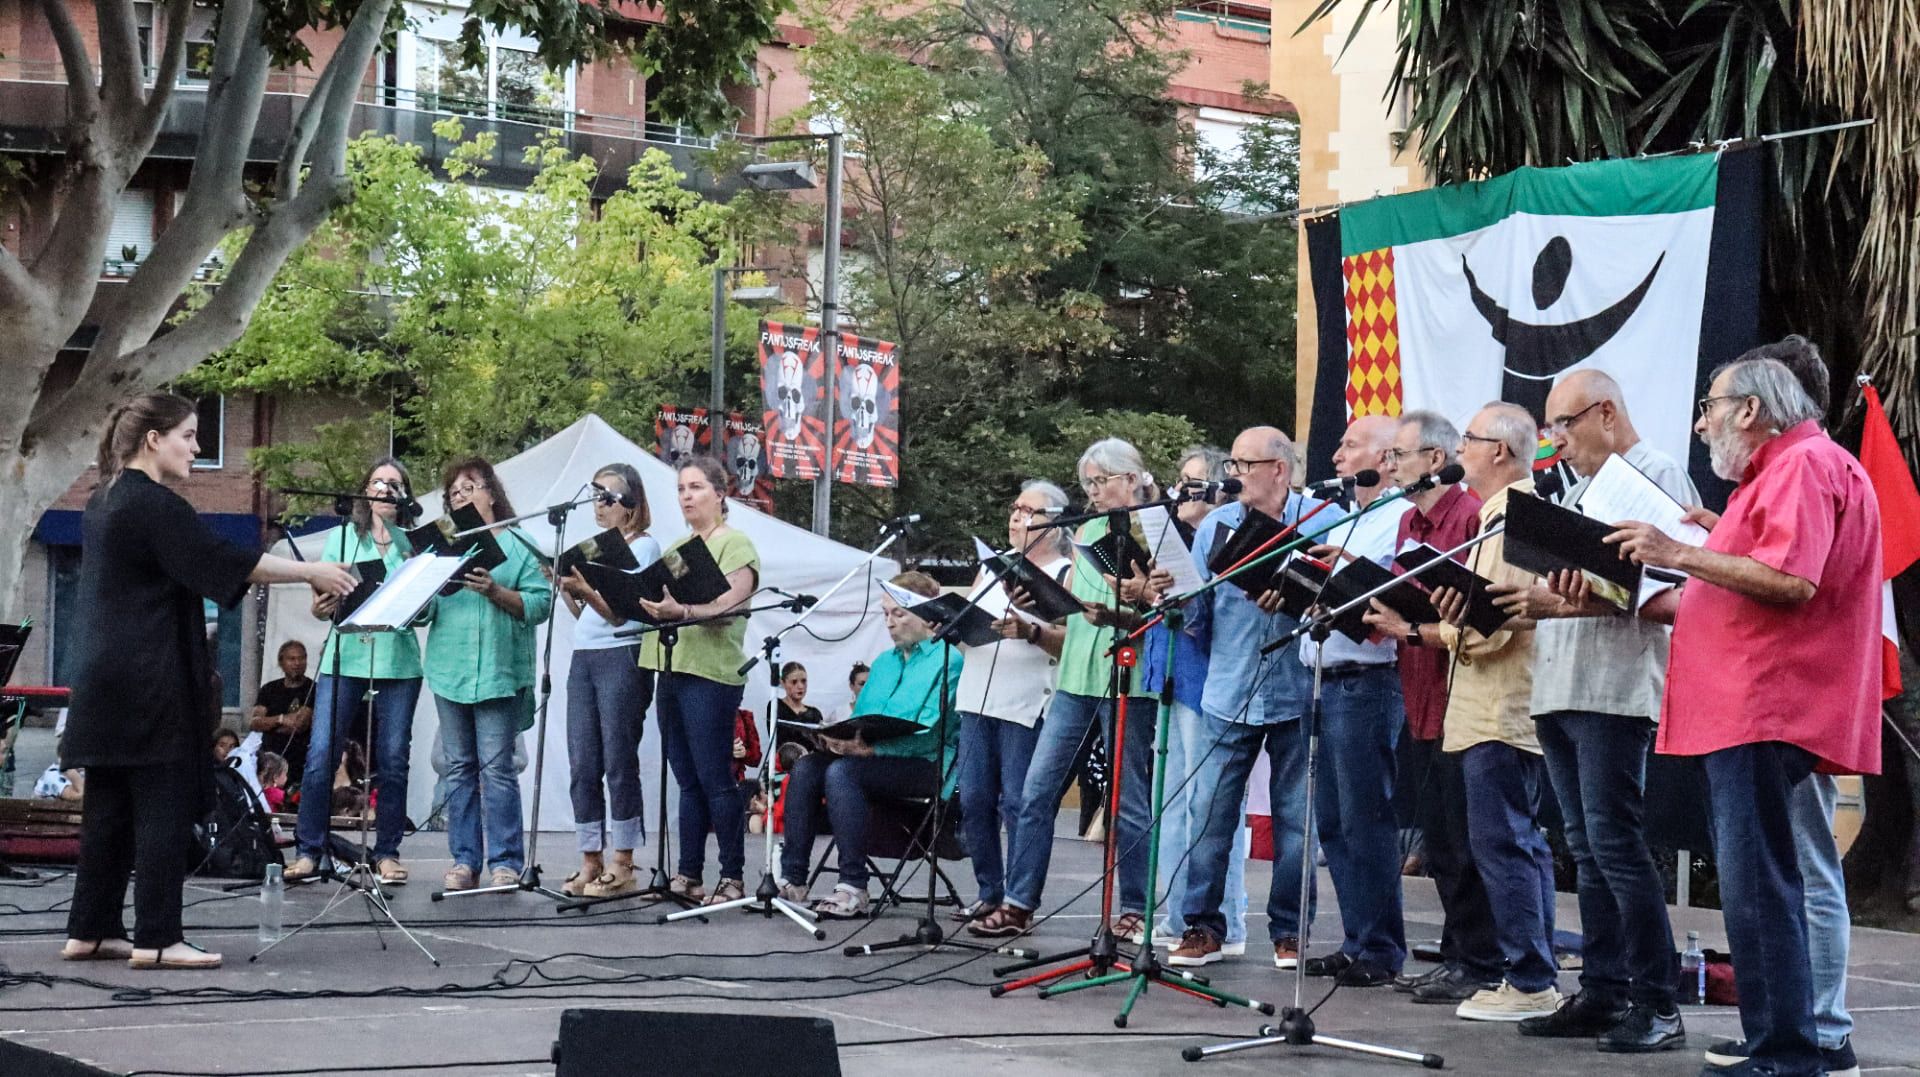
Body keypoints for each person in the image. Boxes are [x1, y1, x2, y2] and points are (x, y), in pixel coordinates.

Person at [1613, 356, 1880, 1077]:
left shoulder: (1801, 466)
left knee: (1760, 885)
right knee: (1760, 883)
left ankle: (1786, 1052)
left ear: (1751, 411)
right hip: (1754, 706)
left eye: (1710, 405)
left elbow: (1792, 579)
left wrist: (1677, 552)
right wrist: (1708, 542)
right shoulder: (1790, 472)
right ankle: (1779, 1041)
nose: (1701, 423)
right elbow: (1749, 581)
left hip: (1767, 704)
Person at [62, 392, 354, 971]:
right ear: (154, 439)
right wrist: (310, 571)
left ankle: (90, 930)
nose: (198, 447)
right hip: (150, 679)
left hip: (102, 678)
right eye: (191, 436)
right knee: (162, 805)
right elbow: (228, 560)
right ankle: (158, 938)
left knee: (110, 809)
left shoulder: (104, 500)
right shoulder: (155, 505)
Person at [1488, 371, 1692, 1050]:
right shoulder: (1576, 490)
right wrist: (1551, 591)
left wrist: (1559, 600)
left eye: (1565, 424)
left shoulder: (1657, 475)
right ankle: (1605, 990)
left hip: (1614, 684)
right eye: (1548, 428)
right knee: (1585, 846)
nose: (1555, 441)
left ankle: (1658, 1000)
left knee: (1615, 843)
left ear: (1607, 412)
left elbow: (1670, 587)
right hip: (1561, 682)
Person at [1386, 403, 1559, 1021]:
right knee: (1512, 843)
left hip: (1498, 709)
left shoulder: (1512, 518)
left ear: (1502, 453)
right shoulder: (1499, 515)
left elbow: (1496, 630)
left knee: (1504, 846)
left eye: (1472, 438)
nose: (1463, 445)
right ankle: (1529, 973)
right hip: (1491, 708)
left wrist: (1434, 624)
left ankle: (1530, 979)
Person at [970, 439, 1160, 940]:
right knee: (1035, 791)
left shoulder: (1154, 526)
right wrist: (1037, 600)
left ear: (1134, 477)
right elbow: (1075, 604)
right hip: (1076, 671)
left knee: (1127, 799)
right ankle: (1018, 902)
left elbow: (1163, 606)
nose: (1094, 493)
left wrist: (1129, 605)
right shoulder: (1089, 529)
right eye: (1089, 484)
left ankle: (1136, 907)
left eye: (1102, 482)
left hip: (1128, 676)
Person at [1163, 427, 1321, 970]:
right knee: (1209, 814)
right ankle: (1203, 926)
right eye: (1231, 463)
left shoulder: (1321, 519)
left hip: (1298, 690)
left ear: (1279, 468)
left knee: (1296, 820)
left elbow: (1333, 604)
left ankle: (1291, 932)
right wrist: (1170, 599)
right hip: (1228, 688)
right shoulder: (1216, 526)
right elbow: (1199, 615)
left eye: (1244, 464)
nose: (1232, 475)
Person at [1362, 411, 1500, 1003]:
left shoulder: (1470, 518)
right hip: (1416, 692)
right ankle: (1456, 953)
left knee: (1466, 841)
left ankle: (1480, 959)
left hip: (1462, 694)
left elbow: (1475, 612)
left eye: (1400, 455)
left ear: (1435, 460)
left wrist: (1409, 625)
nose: (1389, 466)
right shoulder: (1407, 522)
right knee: (1440, 839)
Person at [1294, 416, 1412, 987]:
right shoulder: (1344, 517)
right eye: (1338, 444)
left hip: (1366, 682)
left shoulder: (1396, 519)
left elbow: (1390, 590)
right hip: (1320, 677)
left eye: (1350, 446)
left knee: (1367, 820)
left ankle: (1383, 947)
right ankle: (1355, 937)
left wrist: (1337, 570)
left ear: (1388, 459)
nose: (1337, 456)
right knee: (1334, 822)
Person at [779, 571, 964, 918]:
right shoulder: (882, 663)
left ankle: (853, 885)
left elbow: (932, 732)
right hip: (873, 760)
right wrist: (834, 739)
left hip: (927, 766)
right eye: (885, 614)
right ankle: (793, 879)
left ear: (926, 615)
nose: (890, 623)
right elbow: (861, 723)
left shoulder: (949, 660)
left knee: (844, 773)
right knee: (806, 766)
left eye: (898, 614)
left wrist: (870, 751)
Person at [288, 457, 428, 887]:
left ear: (405, 494)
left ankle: (386, 852)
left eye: (394, 483)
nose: (384, 488)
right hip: (345, 655)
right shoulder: (345, 537)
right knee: (320, 755)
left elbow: (426, 612)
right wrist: (320, 605)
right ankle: (310, 849)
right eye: (377, 482)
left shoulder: (415, 543)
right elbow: (322, 599)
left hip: (398, 660)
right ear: (364, 491)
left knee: (392, 758)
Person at [637, 456, 761, 906]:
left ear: (720, 494)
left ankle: (732, 876)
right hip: (671, 665)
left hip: (710, 673)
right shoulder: (678, 546)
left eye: (695, 487)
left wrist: (685, 611)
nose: (686, 496)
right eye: (681, 489)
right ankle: (688, 873)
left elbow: (733, 603)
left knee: (715, 776)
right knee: (686, 778)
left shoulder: (736, 544)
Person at [426, 457, 553, 892]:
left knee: (497, 770)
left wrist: (496, 591)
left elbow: (541, 605)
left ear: (492, 493)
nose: (460, 497)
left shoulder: (520, 544)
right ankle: (464, 860)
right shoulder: (443, 546)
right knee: (458, 767)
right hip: (449, 670)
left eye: (469, 487)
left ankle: (504, 862)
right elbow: (425, 612)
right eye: (453, 493)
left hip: (498, 672)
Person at [951, 481, 1071, 922]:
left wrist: (1030, 630)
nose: (1017, 517)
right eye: (1015, 508)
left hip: (1026, 702)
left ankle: (1019, 901)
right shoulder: (992, 568)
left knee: (1021, 803)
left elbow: (1069, 646)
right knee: (975, 799)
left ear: (1055, 525)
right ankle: (989, 890)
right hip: (979, 694)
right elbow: (969, 620)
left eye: (1030, 511)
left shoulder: (1063, 573)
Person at [1151, 446, 1251, 954]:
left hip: (1209, 681)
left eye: (1193, 482)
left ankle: (1225, 920)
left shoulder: (1228, 536)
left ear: (1218, 488)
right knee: (1170, 806)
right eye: (1181, 481)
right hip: (1171, 676)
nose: (1181, 491)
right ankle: (1177, 917)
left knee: (1208, 808)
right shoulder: (1176, 542)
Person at [554, 462, 662, 900]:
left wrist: (585, 590)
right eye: (595, 495)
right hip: (587, 654)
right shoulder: (596, 548)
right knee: (583, 761)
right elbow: (589, 618)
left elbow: (619, 613)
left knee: (618, 758)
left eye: (608, 497)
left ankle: (624, 862)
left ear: (631, 507)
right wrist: (566, 590)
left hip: (624, 653)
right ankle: (589, 859)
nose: (599, 505)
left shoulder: (645, 548)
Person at [249, 642, 314, 790]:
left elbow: (299, 725)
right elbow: (254, 723)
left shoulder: (313, 689)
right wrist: (281, 719)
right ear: (281, 662)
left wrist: (270, 725)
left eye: (301, 658)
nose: (297, 663)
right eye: (291, 659)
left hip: (299, 761)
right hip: (268, 761)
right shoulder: (269, 689)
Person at [774, 662, 825, 770]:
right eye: (794, 682)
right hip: (784, 765)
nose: (800, 686)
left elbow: (820, 744)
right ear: (782, 683)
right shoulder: (776, 706)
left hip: (811, 766)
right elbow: (780, 738)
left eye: (803, 681)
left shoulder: (815, 713)